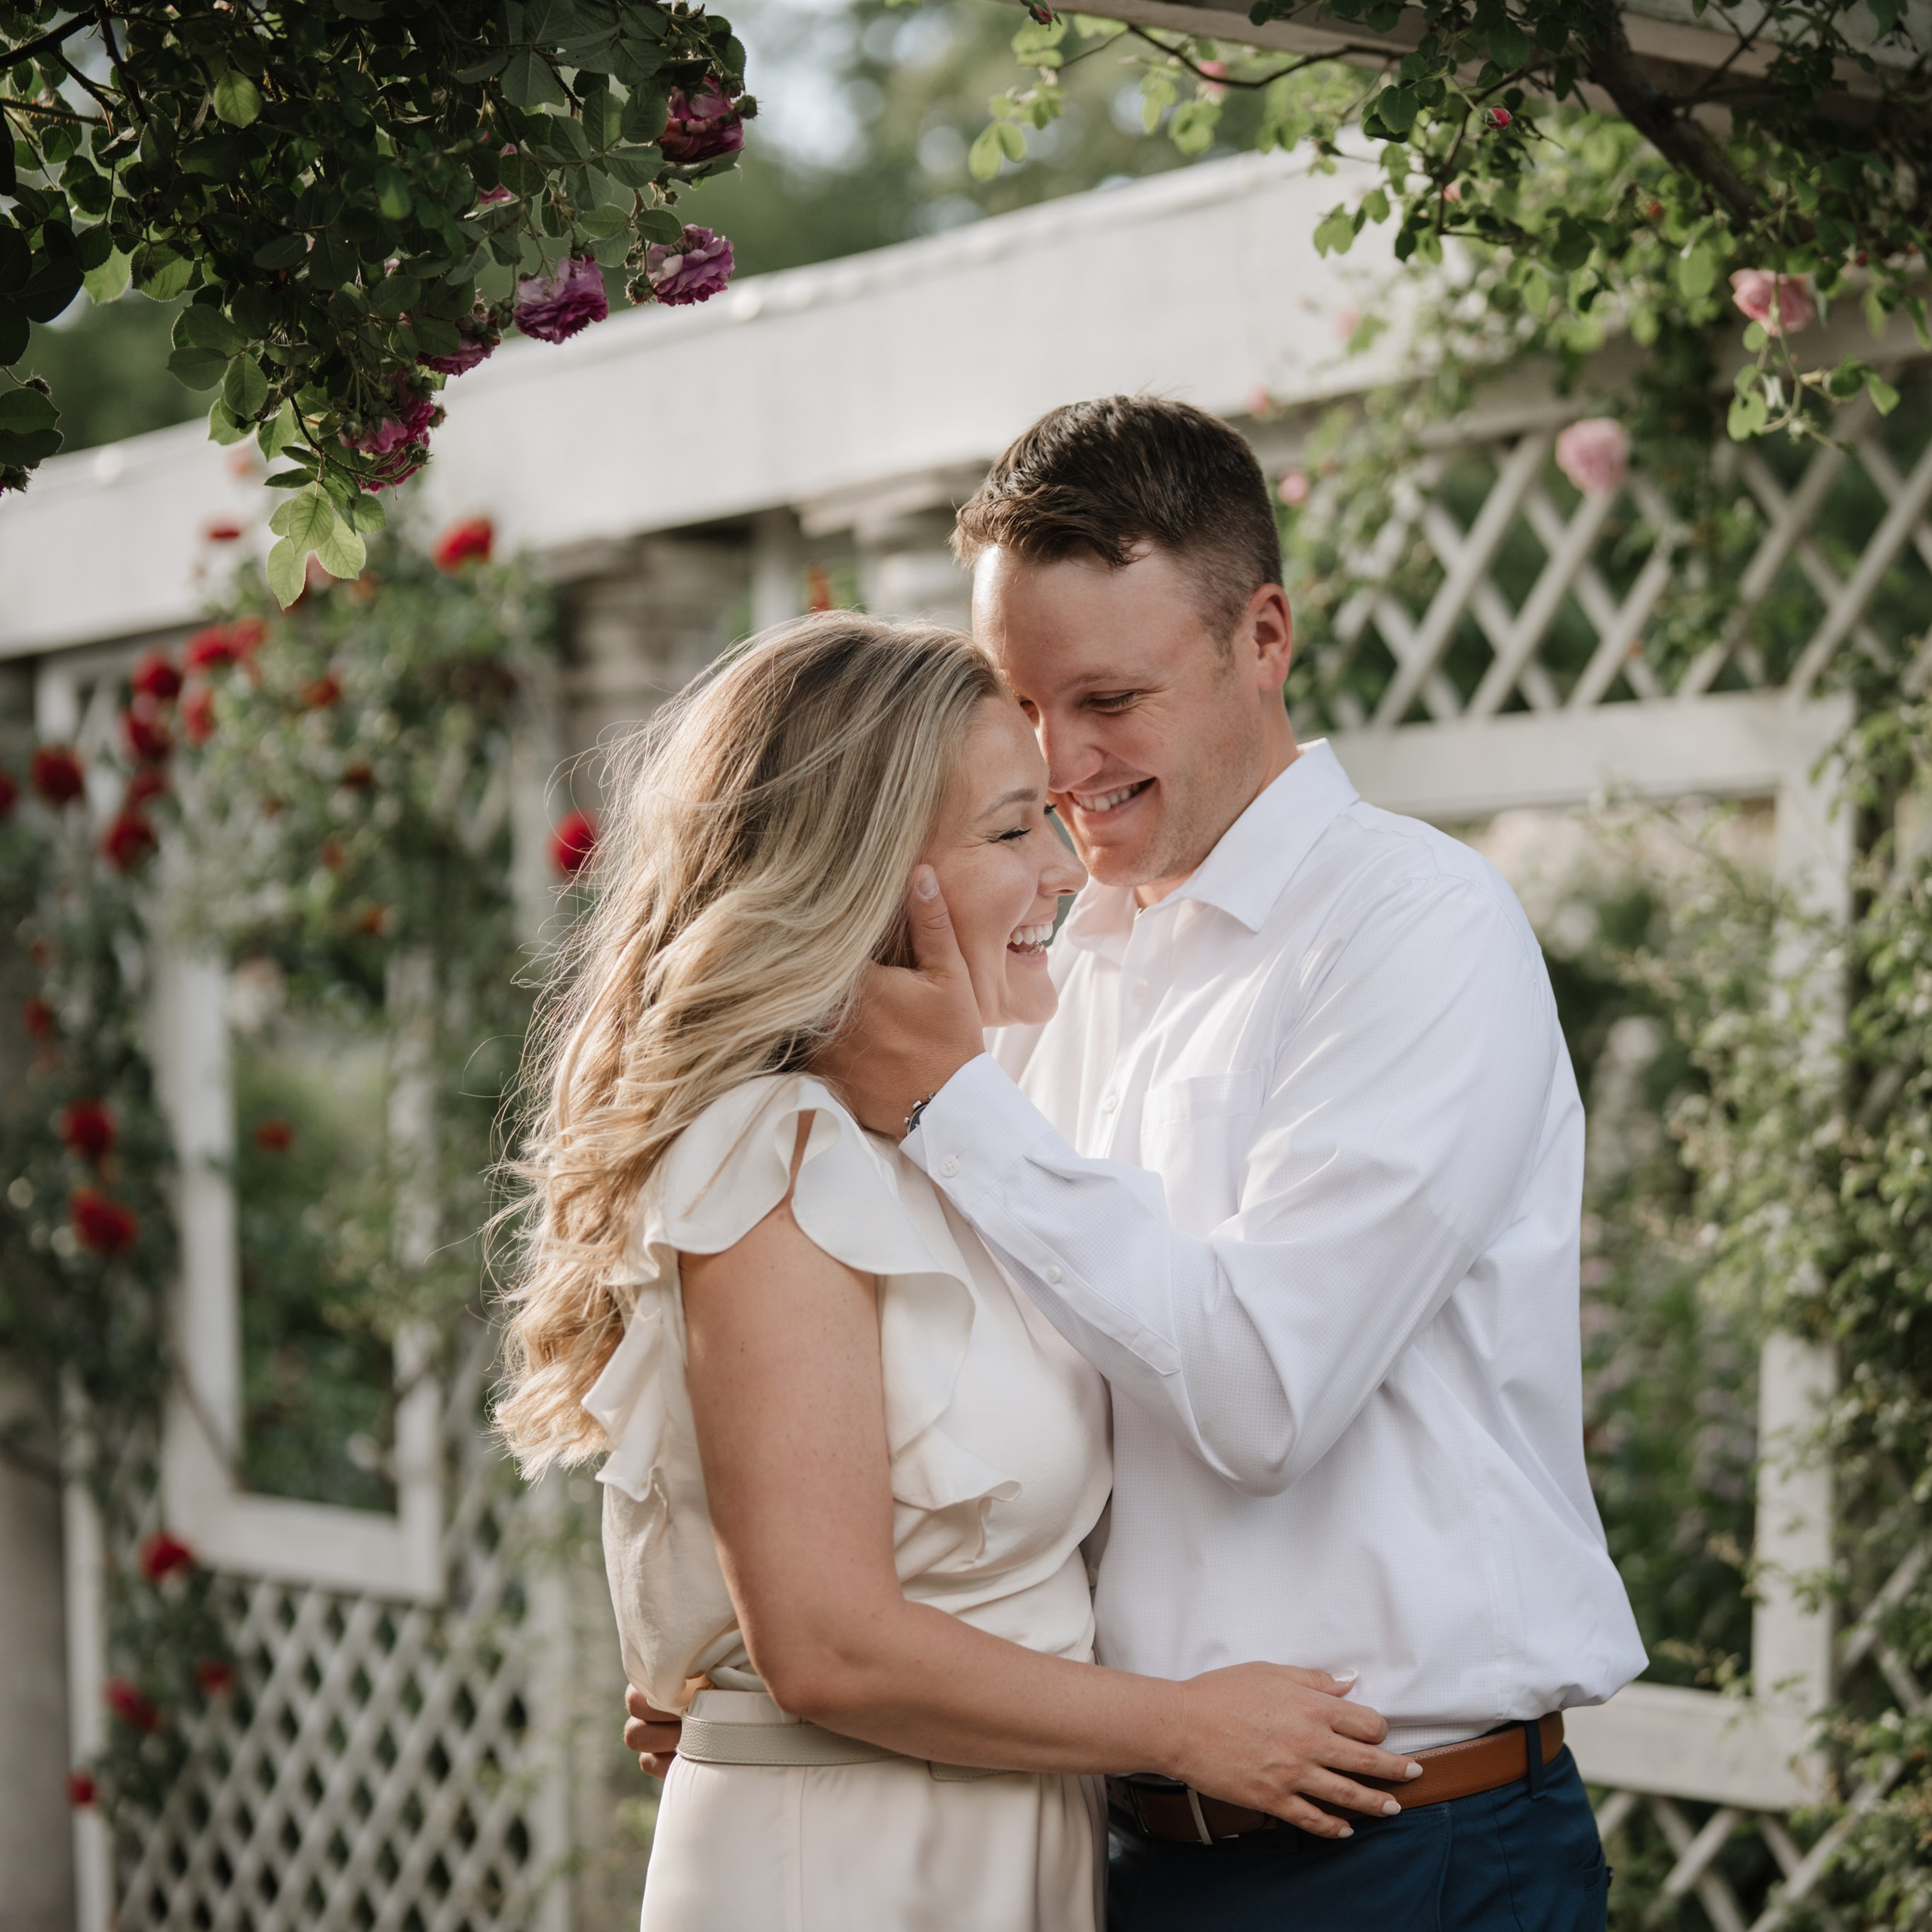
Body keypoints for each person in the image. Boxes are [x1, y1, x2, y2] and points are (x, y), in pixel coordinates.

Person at [806, 398, 1648, 1931]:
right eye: (1019, 699)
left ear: (1261, 635)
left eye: (1110, 696)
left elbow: (1266, 1394)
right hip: (1112, 1835)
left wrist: (950, 1105)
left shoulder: (1415, 929)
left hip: (1407, 1854)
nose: (1059, 762)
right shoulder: (1051, 965)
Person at [497, 614, 1425, 1932]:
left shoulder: (949, 1146)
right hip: (858, 1865)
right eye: (1009, 833)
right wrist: (1182, 1729)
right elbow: (826, 1646)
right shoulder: (777, 1157)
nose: (1066, 867)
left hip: (1000, 1844)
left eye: (1049, 817)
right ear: (865, 873)